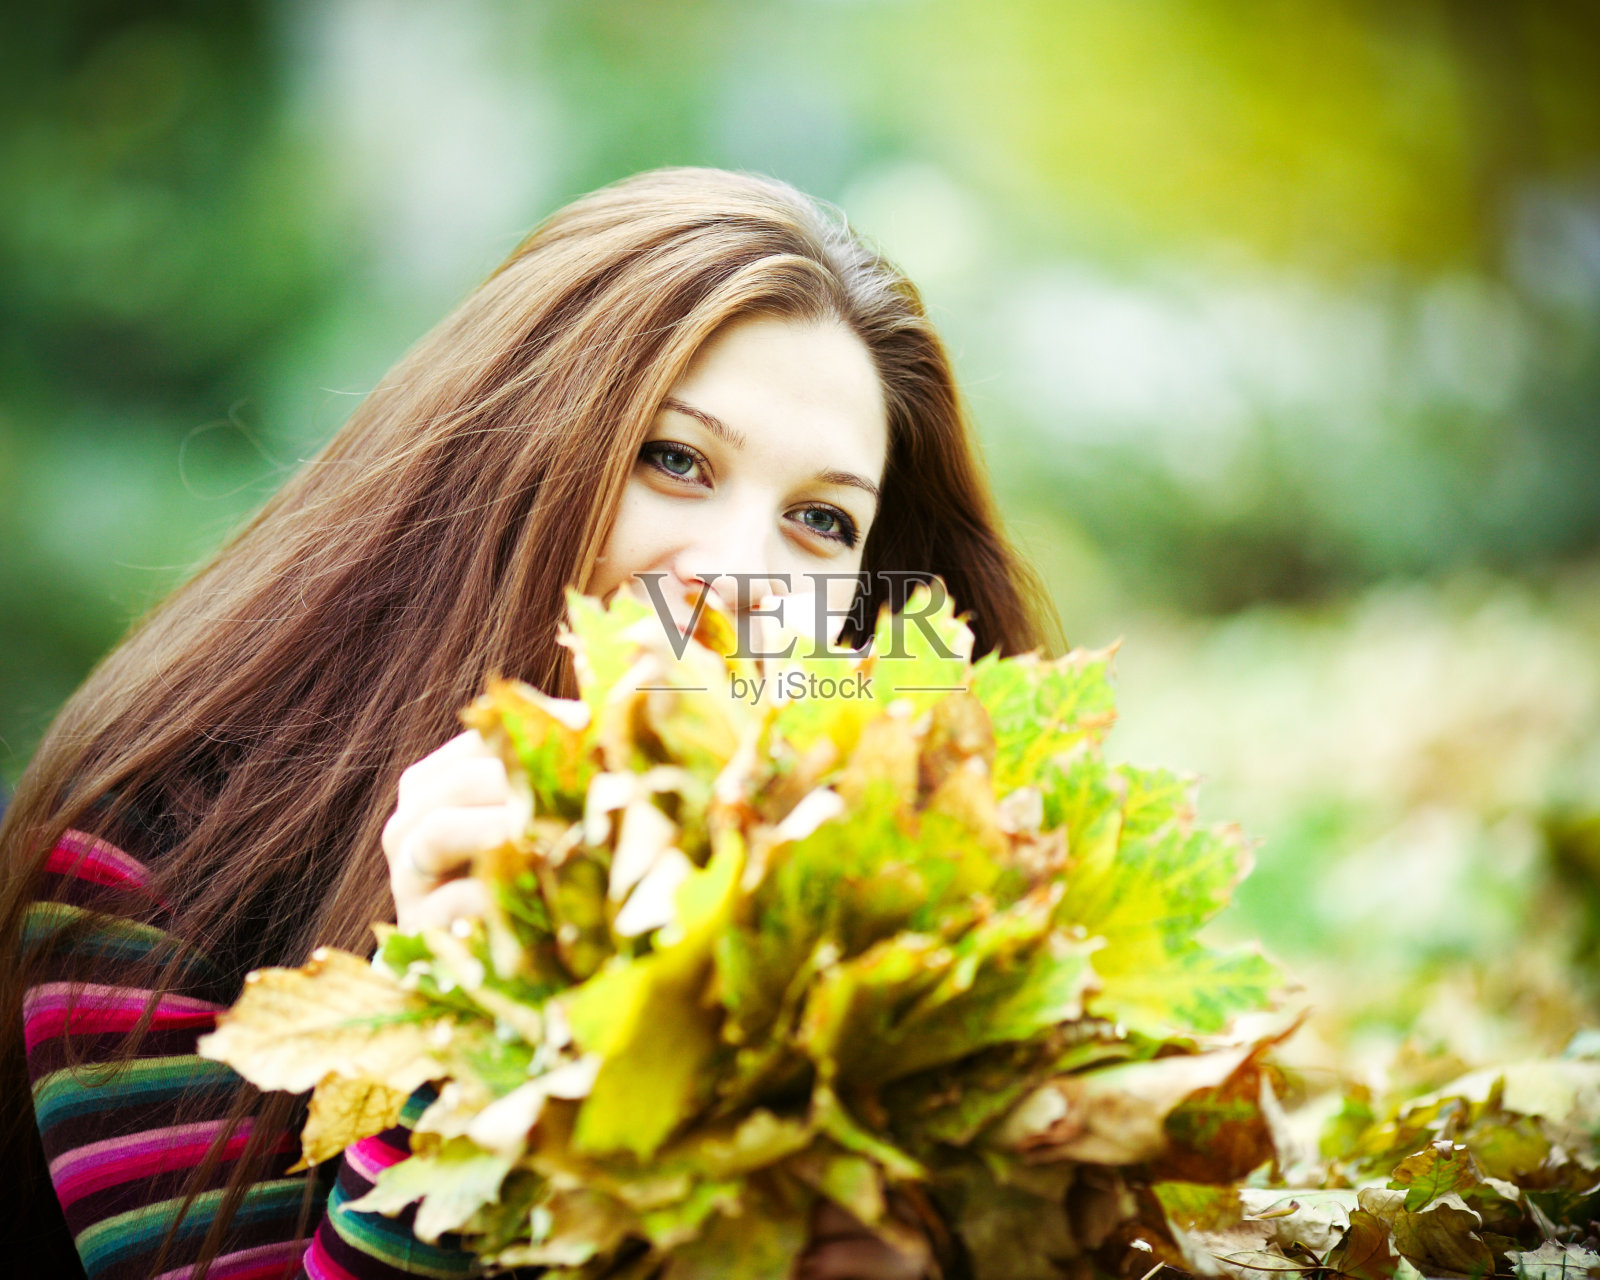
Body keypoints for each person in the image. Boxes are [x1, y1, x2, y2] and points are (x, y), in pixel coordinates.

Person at [0, 167, 1057, 1279]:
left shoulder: (897, 898)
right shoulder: (162, 846)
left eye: (818, 520)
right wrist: (466, 1040)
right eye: (674, 459)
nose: (741, 576)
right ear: (513, 457)